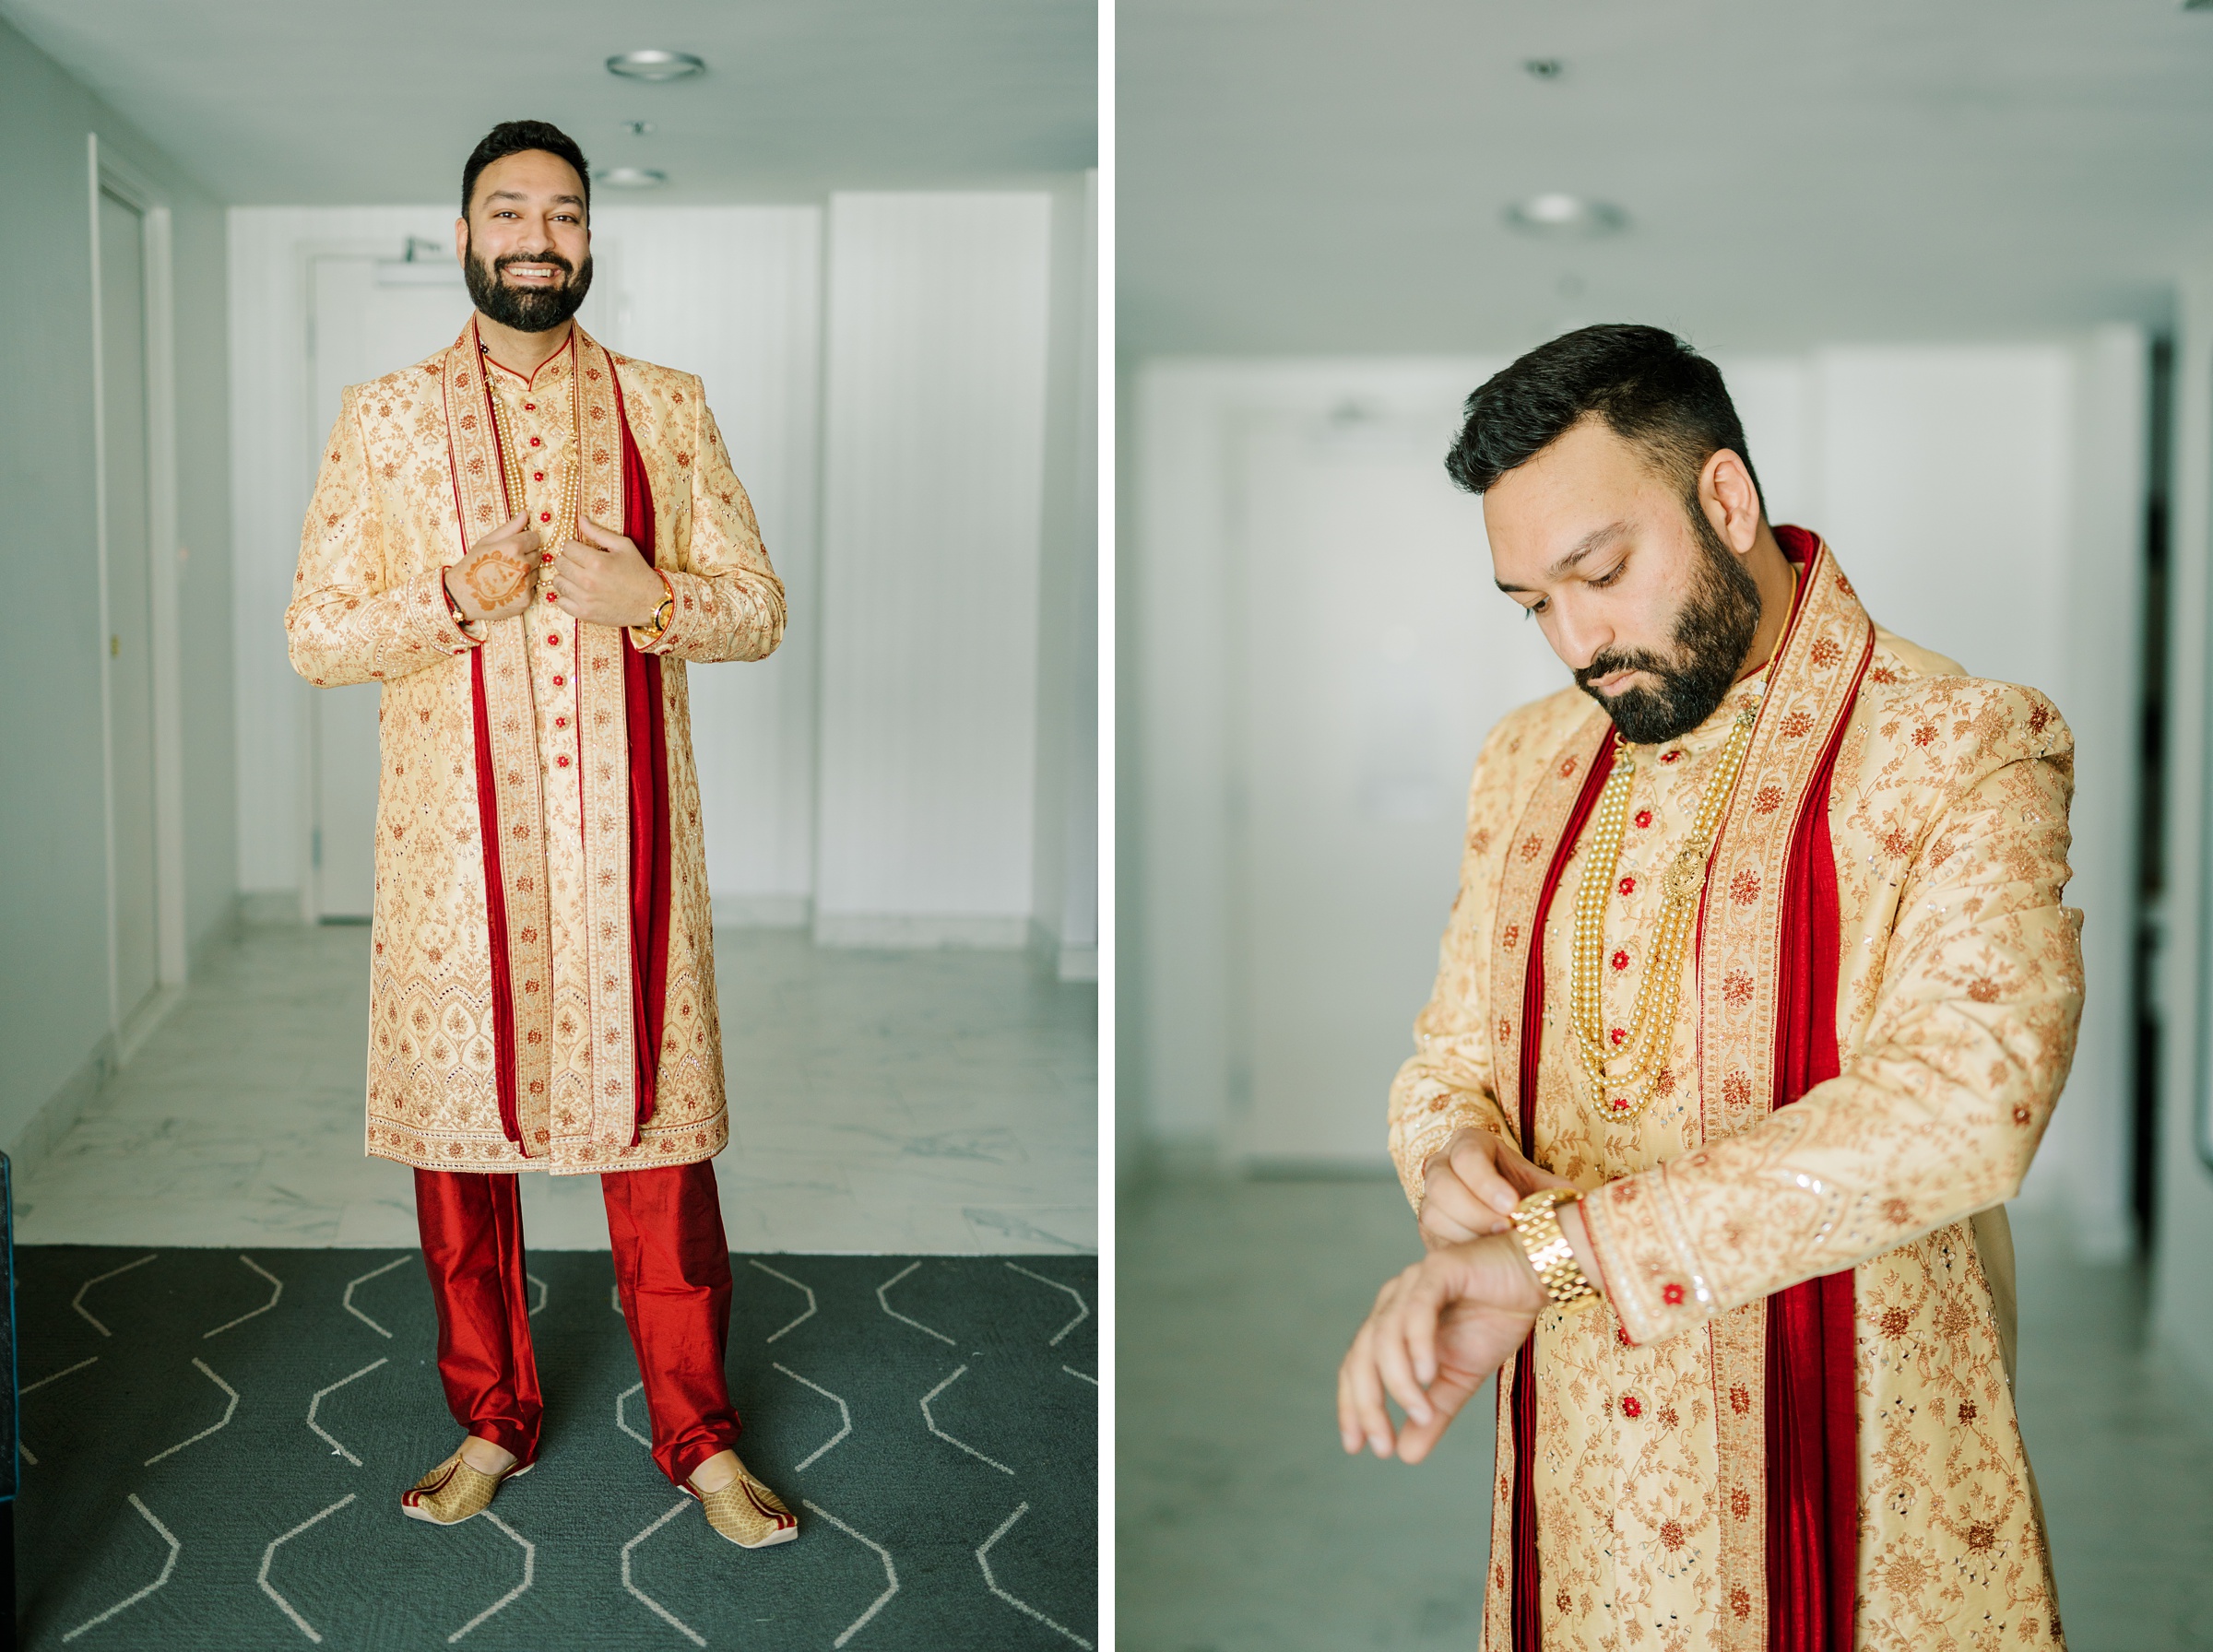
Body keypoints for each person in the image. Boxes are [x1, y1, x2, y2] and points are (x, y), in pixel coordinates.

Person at [1335, 324, 2080, 1649]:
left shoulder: (1956, 742)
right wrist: (1448, 1153)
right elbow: (1447, 1051)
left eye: (1603, 572)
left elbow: (1973, 1098)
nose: (1577, 639)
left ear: (1726, 499)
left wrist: (1554, 1259)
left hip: (1861, 1470)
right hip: (1584, 1463)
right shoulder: (1528, 758)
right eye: (1533, 604)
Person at [287, 120, 798, 1549]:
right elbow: (315, 638)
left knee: (664, 1168)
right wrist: (454, 592)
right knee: (461, 1174)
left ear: (590, 239)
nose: (536, 236)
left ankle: (697, 1439)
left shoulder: (668, 410)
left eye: (562, 214)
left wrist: (656, 600)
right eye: (507, 211)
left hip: (630, 859)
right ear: (462, 236)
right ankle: (487, 1419)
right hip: (460, 872)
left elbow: (759, 607)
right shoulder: (381, 421)